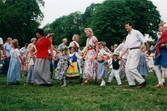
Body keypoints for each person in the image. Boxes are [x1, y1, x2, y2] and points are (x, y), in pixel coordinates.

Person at [119, 21, 150, 88]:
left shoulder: (136, 32)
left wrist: (148, 49)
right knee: (127, 69)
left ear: (131, 26)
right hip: (130, 51)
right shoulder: (127, 36)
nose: (126, 28)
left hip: (136, 50)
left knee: (132, 68)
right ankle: (131, 83)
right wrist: (121, 55)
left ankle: (142, 81)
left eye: (127, 26)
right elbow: (126, 47)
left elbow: (145, 41)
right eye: (125, 27)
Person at [151, 22, 167, 88]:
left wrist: (165, 45)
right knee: (156, 66)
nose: (159, 28)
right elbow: (157, 45)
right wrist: (151, 50)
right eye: (159, 26)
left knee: (164, 68)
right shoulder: (160, 36)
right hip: (158, 54)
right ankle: (160, 83)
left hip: (164, 53)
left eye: (161, 26)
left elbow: (163, 45)